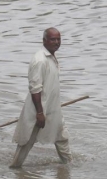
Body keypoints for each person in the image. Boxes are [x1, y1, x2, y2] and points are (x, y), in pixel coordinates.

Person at [10, 27, 72, 168]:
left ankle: (69, 168)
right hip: (40, 110)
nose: (56, 42)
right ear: (44, 41)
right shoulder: (40, 60)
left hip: (53, 109)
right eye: (52, 39)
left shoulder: (52, 57)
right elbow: (35, 88)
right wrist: (39, 113)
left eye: (58, 39)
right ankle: (14, 169)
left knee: (62, 137)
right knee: (26, 142)